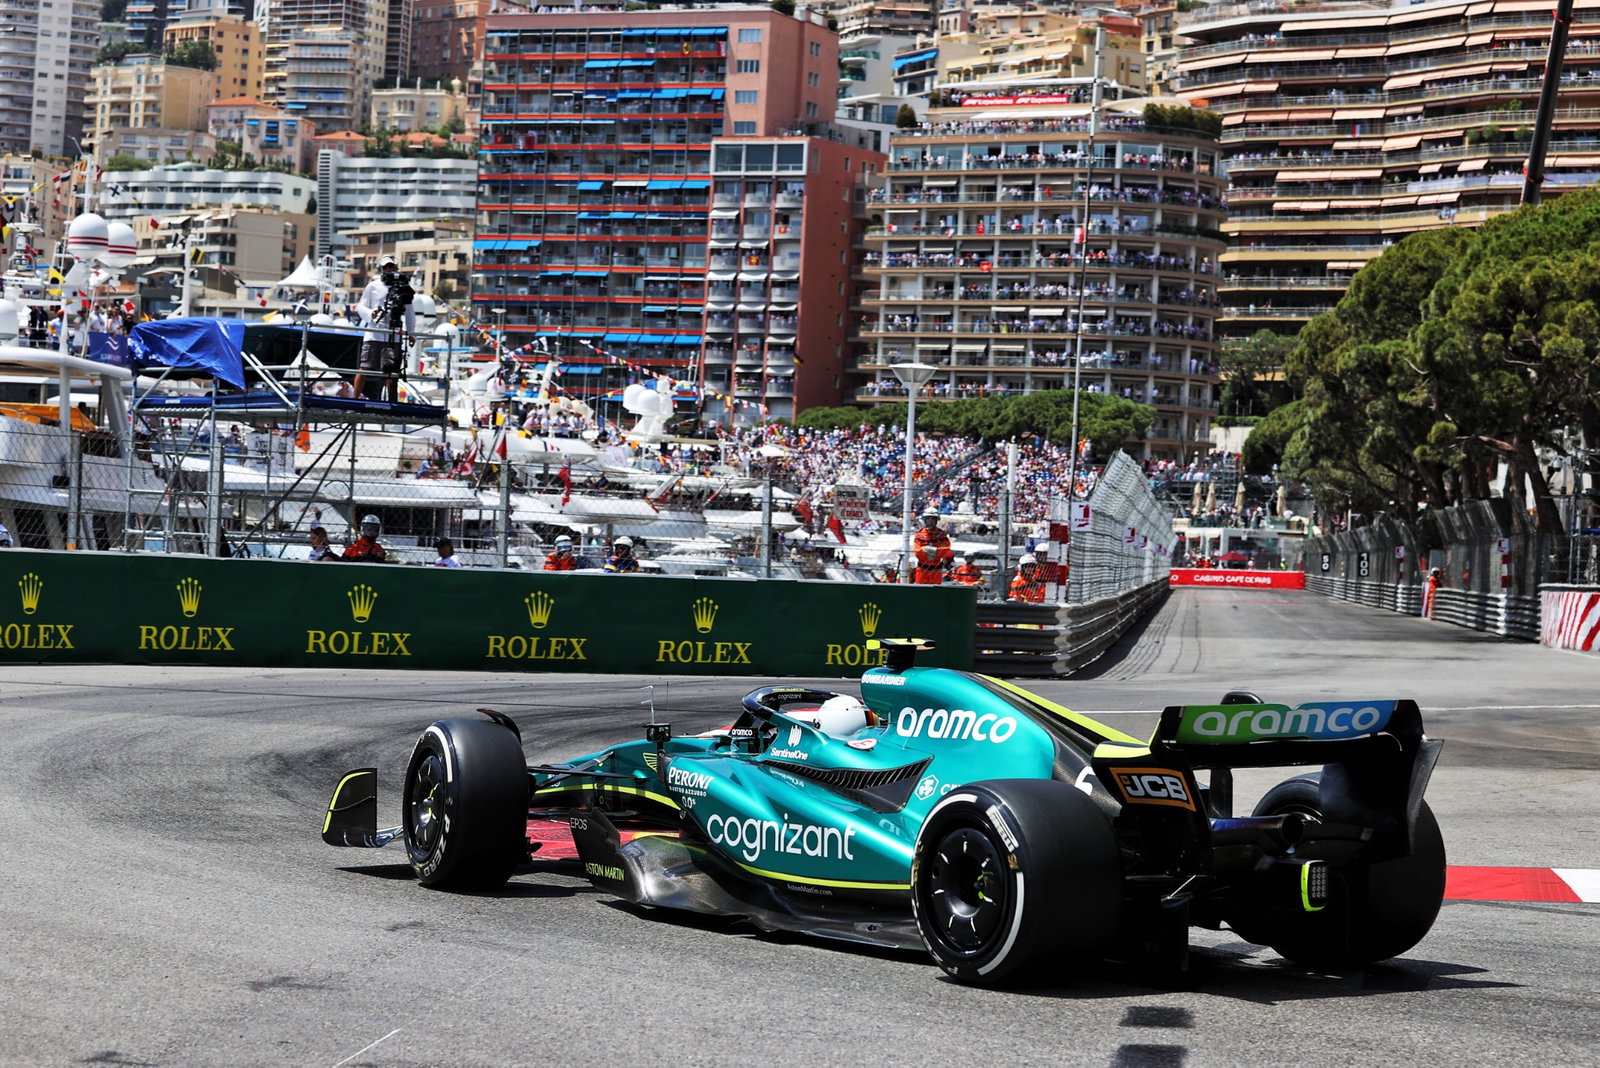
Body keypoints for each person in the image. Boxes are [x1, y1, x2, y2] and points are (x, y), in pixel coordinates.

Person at [353, 256, 415, 402]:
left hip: (395, 333)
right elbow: (361, 306)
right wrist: (371, 314)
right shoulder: (373, 286)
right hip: (375, 333)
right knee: (365, 367)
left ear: (395, 267)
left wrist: (411, 333)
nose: (389, 269)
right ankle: (354, 399)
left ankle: (391, 403)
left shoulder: (404, 287)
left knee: (392, 372)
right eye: (386, 267)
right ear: (381, 269)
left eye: (391, 266)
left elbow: (409, 311)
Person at [911, 509, 954, 585]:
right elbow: (918, 552)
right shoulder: (919, 534)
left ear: (936, 520)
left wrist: (927, 551)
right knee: (920, 591)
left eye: (932, 519)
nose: (930, 521)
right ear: (924, 520)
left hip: (936, 570)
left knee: (935, 592)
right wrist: (936, 552)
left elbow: (945, 551)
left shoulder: (942, 535)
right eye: (928, 519)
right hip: (922, 570)